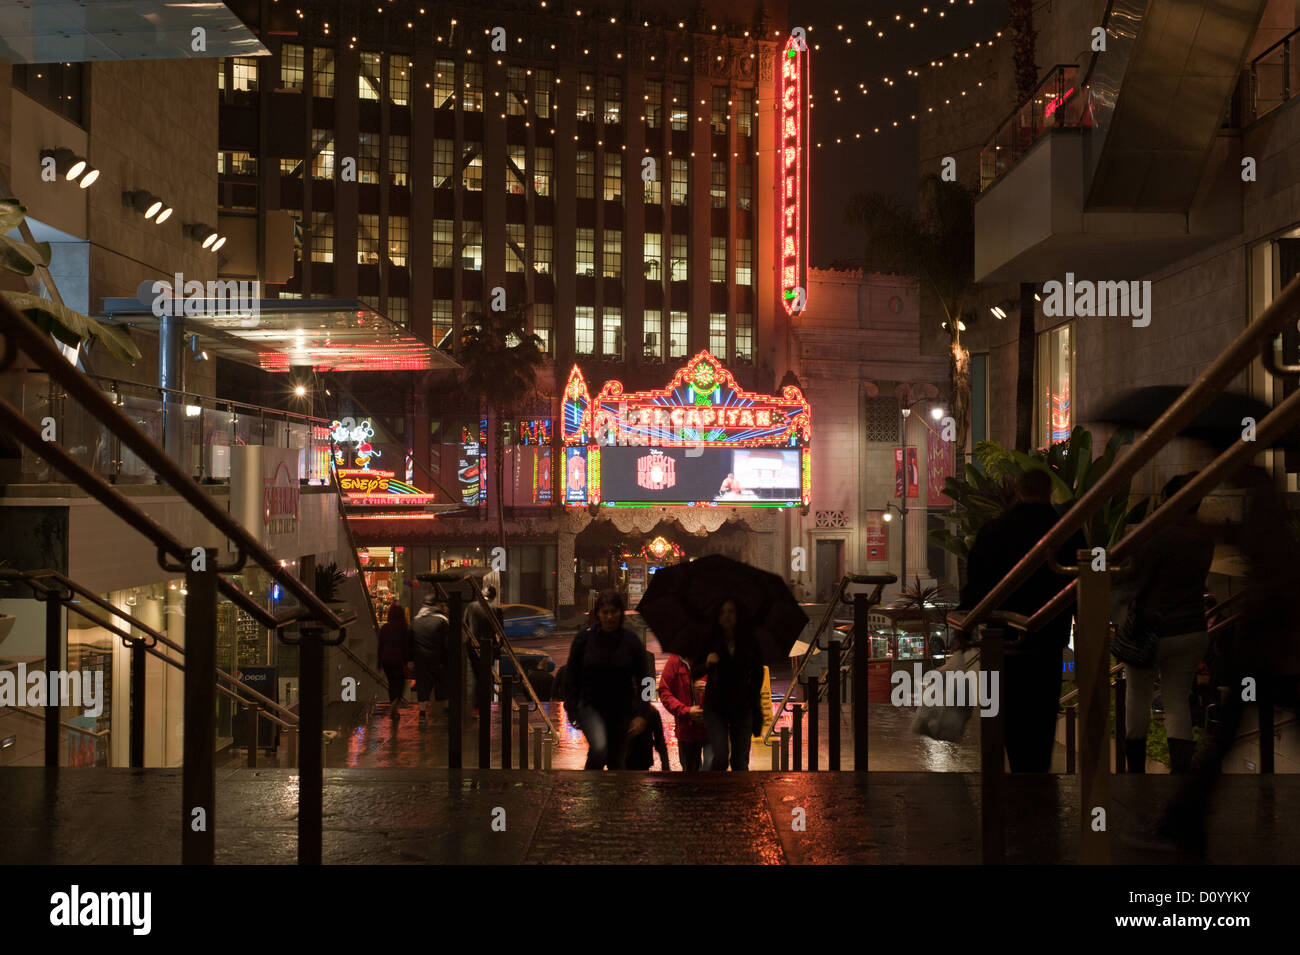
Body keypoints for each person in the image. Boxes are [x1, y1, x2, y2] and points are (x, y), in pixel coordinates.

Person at [959, 468, 1085, 772]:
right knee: (1041, 711)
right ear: (1049, 492)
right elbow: (1081, 581)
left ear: (1017, 490)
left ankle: (1013, 773)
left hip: (1000, 639)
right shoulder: (1066, 531)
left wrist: (966, 621)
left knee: (1006, 712)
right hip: (1048, 636)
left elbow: (976, 580)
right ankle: (1036, 775)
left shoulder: (995, 530)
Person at [1118, 473, 1215, 774]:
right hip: (1192, 628)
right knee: (1177, 700)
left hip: (1152, 629)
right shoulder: (1204, 537)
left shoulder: (1156, 536)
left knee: (1137, 698)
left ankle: (1135, 770)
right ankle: (1180, 769)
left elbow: (1137, 582)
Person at [564, 589, 648, 770]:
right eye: (605, 612)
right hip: (590, 706)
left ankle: (611, 796)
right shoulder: (584, 639)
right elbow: (571, 675)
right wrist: (571, 707)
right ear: (598, 615)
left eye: (614, 611)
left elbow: (645, 678)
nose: (610, 617)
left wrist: (642, 712)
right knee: (599, 748)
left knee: (616, 759)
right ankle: (590, 791)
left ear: (621, 613)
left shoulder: (630, 641)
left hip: (621, 710)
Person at [703, 598, 764, 771]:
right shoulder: (710, 640)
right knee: (721, 757)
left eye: (731, 611)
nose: (727, 616)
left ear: (737, 615)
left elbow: (758, 673)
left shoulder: (749, 641)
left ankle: (740, 796)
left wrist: (755, 704)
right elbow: (695, 670)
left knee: (740, 761)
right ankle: (719, 793)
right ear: (717, 617)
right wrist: (707, 663)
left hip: (742, 706)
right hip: (716, 706)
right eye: (722, 612)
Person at [659, 653, 709, 770]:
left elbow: (729, 689)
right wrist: (686, 711)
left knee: (713, 771)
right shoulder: (675, 661)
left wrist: (711, 689)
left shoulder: (713, 657)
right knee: (690, 775)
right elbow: (664, 692)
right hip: (686, 730)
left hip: (712, 728)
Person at [411, 594, 449, 723]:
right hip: (438, 658)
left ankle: (422, 713)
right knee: (442, 683)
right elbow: (447, 642)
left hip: (421, 659)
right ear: (436, 605)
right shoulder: (442, 620)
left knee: (423, 686)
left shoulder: (415, 620)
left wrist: (411, 659)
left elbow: (410, 641)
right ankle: (446, 710)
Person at [376, 603, 413, 716]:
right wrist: (408, 661)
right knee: (400, 683)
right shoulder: (403, 628)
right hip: (398, 659)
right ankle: (394, 705)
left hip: (386, 659)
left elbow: (380, 646)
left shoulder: (385, 628)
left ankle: (394, 705)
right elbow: (406, 646)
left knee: (391, 683)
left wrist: (379, 663)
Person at [625, 699, 671, 771]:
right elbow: (659, 740)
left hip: (640, 759)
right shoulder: (651, 711)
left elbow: (659, 740)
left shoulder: (651, 711)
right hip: (638, 759)